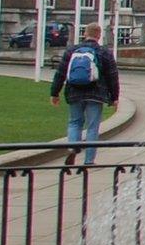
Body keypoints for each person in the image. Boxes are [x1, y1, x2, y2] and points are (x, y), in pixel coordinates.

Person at [50, 23, 120, 165]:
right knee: (93, 127)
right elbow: (113, 76)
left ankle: (72, 147)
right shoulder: (104, 52)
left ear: (85, 34)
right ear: (99, 35)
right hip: (96, 93)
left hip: (74, 91)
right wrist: (114, 97)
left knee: (75, 122)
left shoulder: (72, 51)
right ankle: (89, 160)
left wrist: (54, 93)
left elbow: (61, 73)